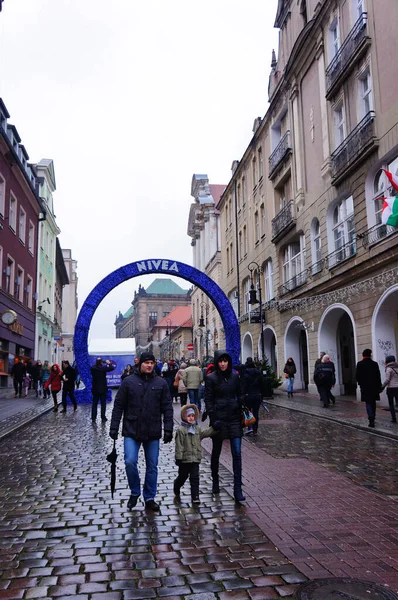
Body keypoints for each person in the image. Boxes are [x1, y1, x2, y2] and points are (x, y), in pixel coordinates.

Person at [109, 351, 173, 512]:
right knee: (130, 461)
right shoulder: (128, 382)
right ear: (140, 364)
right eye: (146, 362)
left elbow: (167, 407)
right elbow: (118, 406)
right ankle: (135, 491)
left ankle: (149, 497)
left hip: (153, 429)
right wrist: (114, 427)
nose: (149, 365)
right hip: (132, 428)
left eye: (152, 362)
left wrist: (169, 428)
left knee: (152, 465)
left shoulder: (161, 383)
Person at [204, 349, 245, 502]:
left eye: (225, 361)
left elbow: (240, 392)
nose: (222, 364)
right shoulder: (211, 378)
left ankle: (237, 488)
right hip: (219, 419)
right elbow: (208, 400)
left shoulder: (235, 377)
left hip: (234, 418)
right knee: (216, 452)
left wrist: (240, 402)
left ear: (228, 362)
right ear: (217, 362)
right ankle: (215, 479)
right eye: (220, 361)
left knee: (237, 453)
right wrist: (213, 418)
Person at [174, 404, 219, 504]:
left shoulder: (197, 428)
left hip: (195, 458)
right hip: (185, 460)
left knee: (195, 478)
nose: (191, 418)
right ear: (184, 417)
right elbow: (179, 445)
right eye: (189, 416)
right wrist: (178, 458)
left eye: (193, 416)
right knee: (183, 476)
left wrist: (214, 428)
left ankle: (195, 496)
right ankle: (177, 485)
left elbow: (205, 433)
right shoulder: (181, 430)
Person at [356, 349, 382, 428]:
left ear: (363, 355)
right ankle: (373, 416)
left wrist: (360, 383)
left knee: (368, 403)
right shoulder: (374, 364)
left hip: (365, 387)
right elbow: (378, 376)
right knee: (373, 402)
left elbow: (357, 376)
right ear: (370, 355)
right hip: (374, 386)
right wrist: (379, 385)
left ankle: (371, 418)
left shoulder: (360, 364)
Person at [90, 358, 115, 422]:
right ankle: (103, 417)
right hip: (103, 389)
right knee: (103, 404)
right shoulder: (103, 368)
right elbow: (112, 368)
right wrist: (108, 363)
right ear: (101, 362)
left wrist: (101, 363)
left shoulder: (93, 368)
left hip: (95, 389)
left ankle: (93, 417)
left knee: (94, 404)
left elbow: (94, 367)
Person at [242, 357, 262, 435]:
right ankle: (255, 429)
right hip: (257, 395)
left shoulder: (245, 373)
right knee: (256, 413)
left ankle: (250, 427)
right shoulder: (258, 372)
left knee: (248, 413)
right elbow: (262, 385)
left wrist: (243, 395)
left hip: (248, 396)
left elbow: (244, 386)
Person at [381, 355, 398, 424]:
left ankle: (394, 418)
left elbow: (387, 380)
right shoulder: (397, 367)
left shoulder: (389, 369)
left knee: (391, 404)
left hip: (391, 388)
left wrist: (382, 386)